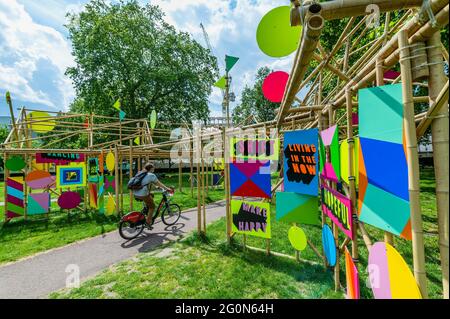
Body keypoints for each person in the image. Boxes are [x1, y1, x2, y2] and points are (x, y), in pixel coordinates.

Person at [133, 162, 173, 226]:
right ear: (151, 169)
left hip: (135, 193)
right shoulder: (151, 175)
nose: (154, 170)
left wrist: (156, 187)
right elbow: (159, 183)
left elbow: (147, 183)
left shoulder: (140, 173)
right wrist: (167, 189)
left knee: (151, 195)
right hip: (142, 194)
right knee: (152, 207)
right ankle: (148, 222)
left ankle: (145, 212)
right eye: (153, 168)